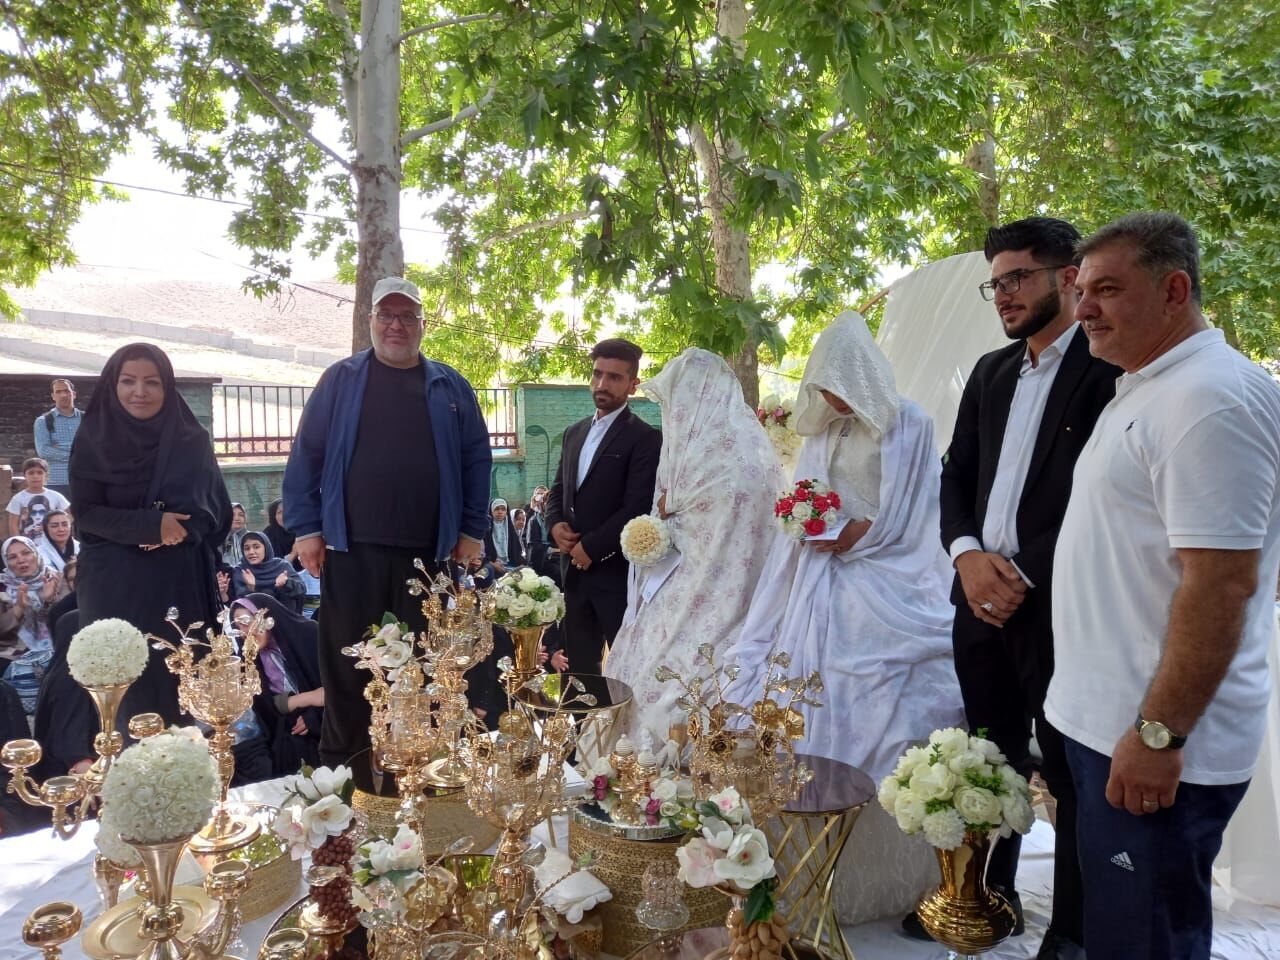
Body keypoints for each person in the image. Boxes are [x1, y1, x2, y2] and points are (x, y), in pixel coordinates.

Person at [1045, 213, 1280, 960]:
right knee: (1122, 933)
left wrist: (1159, 734)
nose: (1083, 309)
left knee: (1148, 940)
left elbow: (1222, 587)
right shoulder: (1151, 386)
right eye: (1082, 290)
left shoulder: (1208, 400)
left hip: (1151, 747)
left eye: (1107, 290)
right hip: (1110, 731)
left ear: (1175, 289)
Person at [722, 311, 964, 923]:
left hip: (891, 581)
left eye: (832, 383)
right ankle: (811, 856)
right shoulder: (825, 431)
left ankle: (893, 875)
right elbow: (805, 495)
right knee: (808, 692)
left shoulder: (910, 423)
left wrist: (863, 533)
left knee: (877, 698)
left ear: (859, 375)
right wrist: (804, 520)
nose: (823, 398)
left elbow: (918, 512)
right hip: (824, 582)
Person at [928, 217, 1120, 958]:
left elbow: (1096, 497)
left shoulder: (1109, 372)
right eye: (996, 282)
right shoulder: (991, 372)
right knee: (988, 759)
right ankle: (983, 897)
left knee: (1070, 774)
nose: (1003, 294)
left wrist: (1024, 571)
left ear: (1068, 277)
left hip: (1060, 607)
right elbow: (956, 476)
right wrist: (969, 555)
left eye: (1018, 278)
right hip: (977, 602)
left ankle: (1070, 934)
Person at [283, 276, 492, 765]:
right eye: (387, 315)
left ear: (422, 324)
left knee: (424, 665)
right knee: (348, 665)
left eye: (407, 317)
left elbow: (476, 461)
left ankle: (417, 774)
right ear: (371, 321)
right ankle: (345, 775)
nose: (396, 325)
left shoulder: (450, 386)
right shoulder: (341, 379)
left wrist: (471, 530)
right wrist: (307, 530)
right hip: (349, 551)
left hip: (429, 557)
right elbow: (306, 453)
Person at [605, 347, 784, 743]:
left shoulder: (713, 458)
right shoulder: (742, 452)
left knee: (669, 682)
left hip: (707, 593)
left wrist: (673, 514)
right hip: (706, 593)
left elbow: (688, 515)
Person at [70, 342, 232, 726]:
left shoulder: (191, 439)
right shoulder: (94, 438)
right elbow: (86, 513)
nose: (139, 392)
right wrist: (150, 525)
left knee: (178, 695)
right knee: (124, 703)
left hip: (175, 584)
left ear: (167, 387)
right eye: (128, 381)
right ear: (113, 385)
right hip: (115, 588)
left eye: (151, 382)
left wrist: (181, 529)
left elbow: (215, 511)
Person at [545, 339, 661, 674]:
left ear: (632, 384)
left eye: (613, 377)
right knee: (578, 671)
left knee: (628, 668)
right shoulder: (573, 433)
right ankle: (584, 729)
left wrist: (592, 547)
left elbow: (638, 506)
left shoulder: (644, 438)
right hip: (572, 576)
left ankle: (623, 729)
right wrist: (555, 527)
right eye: (597, 374)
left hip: (617, 576)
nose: (601, 384)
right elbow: (557, 491)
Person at [231, 593, 324, 776]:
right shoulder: (249, 658)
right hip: (284, 731)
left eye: (247, 621)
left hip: (326, 722)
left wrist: (316, 715)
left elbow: (338, 689)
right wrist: (302, 699)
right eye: (238, 626)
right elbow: (261, 709)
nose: (245, 632)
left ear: (267, 618)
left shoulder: (310, 635)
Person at [1, 536, 60, 716]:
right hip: (13, 657)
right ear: (5, 561)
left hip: (56, 651)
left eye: (26, 552)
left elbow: (69, 621)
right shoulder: (3, 587)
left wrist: (47, 600)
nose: (21, 560)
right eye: (12, 557)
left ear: (36, 553)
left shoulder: (56, 578)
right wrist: (18, 609)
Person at [32, 378, 82, 498]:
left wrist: (60, 448)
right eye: (58, 392)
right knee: (57, 517)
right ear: (53, 396)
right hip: (55, 483)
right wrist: (78, 452)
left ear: (73, 394)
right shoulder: (43, 422)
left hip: (83, 481)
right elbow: (44, 452)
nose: (63, 395)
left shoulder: (87, 419)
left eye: (66, 391)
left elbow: (95, 448)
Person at [232, 531, 306, 612]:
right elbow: (238, 605)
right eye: (246, 548)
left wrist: (287, 583)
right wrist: (251, 588)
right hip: (254, 621)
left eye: (256, 547)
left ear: (266, 548)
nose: (251, 552)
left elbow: (302, 591)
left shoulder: (281, 566)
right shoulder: (241, 570)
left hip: (285, 618)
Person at [6, 459, 71, 543]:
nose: (35, 476)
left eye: (39, 472)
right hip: (29, 546)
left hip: (53, 544)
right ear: (24, 476)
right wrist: (20, 543)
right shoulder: (18, 498)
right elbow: (13, 525)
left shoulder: (56, 496)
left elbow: (69, 518)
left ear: (46, 476)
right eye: (31, 473)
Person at [482, 498, 525, 575]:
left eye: (503, 509)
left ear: (506, 512)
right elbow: (481, 555)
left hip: (510, 564)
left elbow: (517, 552)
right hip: (492, 565)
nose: (500, 512)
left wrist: (522, 564)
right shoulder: (485, 530)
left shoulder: (510, 529)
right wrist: (493, 564)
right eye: (497, 509)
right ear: (491, 511)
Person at [38, 509, 79, 574]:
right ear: (45, 529)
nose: (61, 529)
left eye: (65, 525)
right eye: (54, 526)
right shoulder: (39, 553)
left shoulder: (80, 547)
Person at [262, 498, 297, 566]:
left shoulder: (301, 530)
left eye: (287, 510)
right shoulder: (268, 534)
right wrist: (293, 554)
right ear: (273, 516)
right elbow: (272, 564)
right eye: (280, 512)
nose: (285, 515)